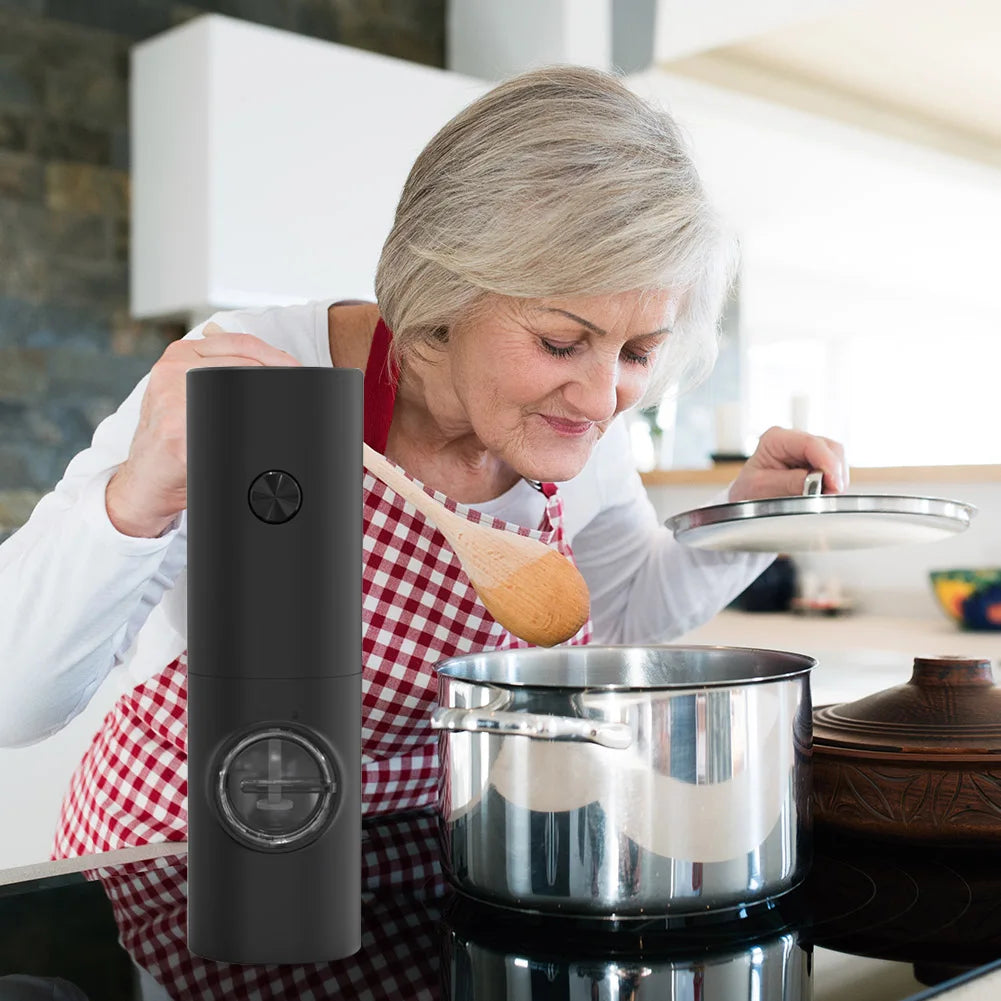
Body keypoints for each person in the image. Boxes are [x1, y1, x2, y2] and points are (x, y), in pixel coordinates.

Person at [0, 66, 847, 858]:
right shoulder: (252, 374)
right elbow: (15, 699)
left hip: (416, 856)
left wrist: (749, 518)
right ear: (444, 291)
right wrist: (138, 496)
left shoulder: (572, 426)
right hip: (195, 861)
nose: (599, 398)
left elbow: (615, 613)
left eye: (636, 353)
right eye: (560, 341)